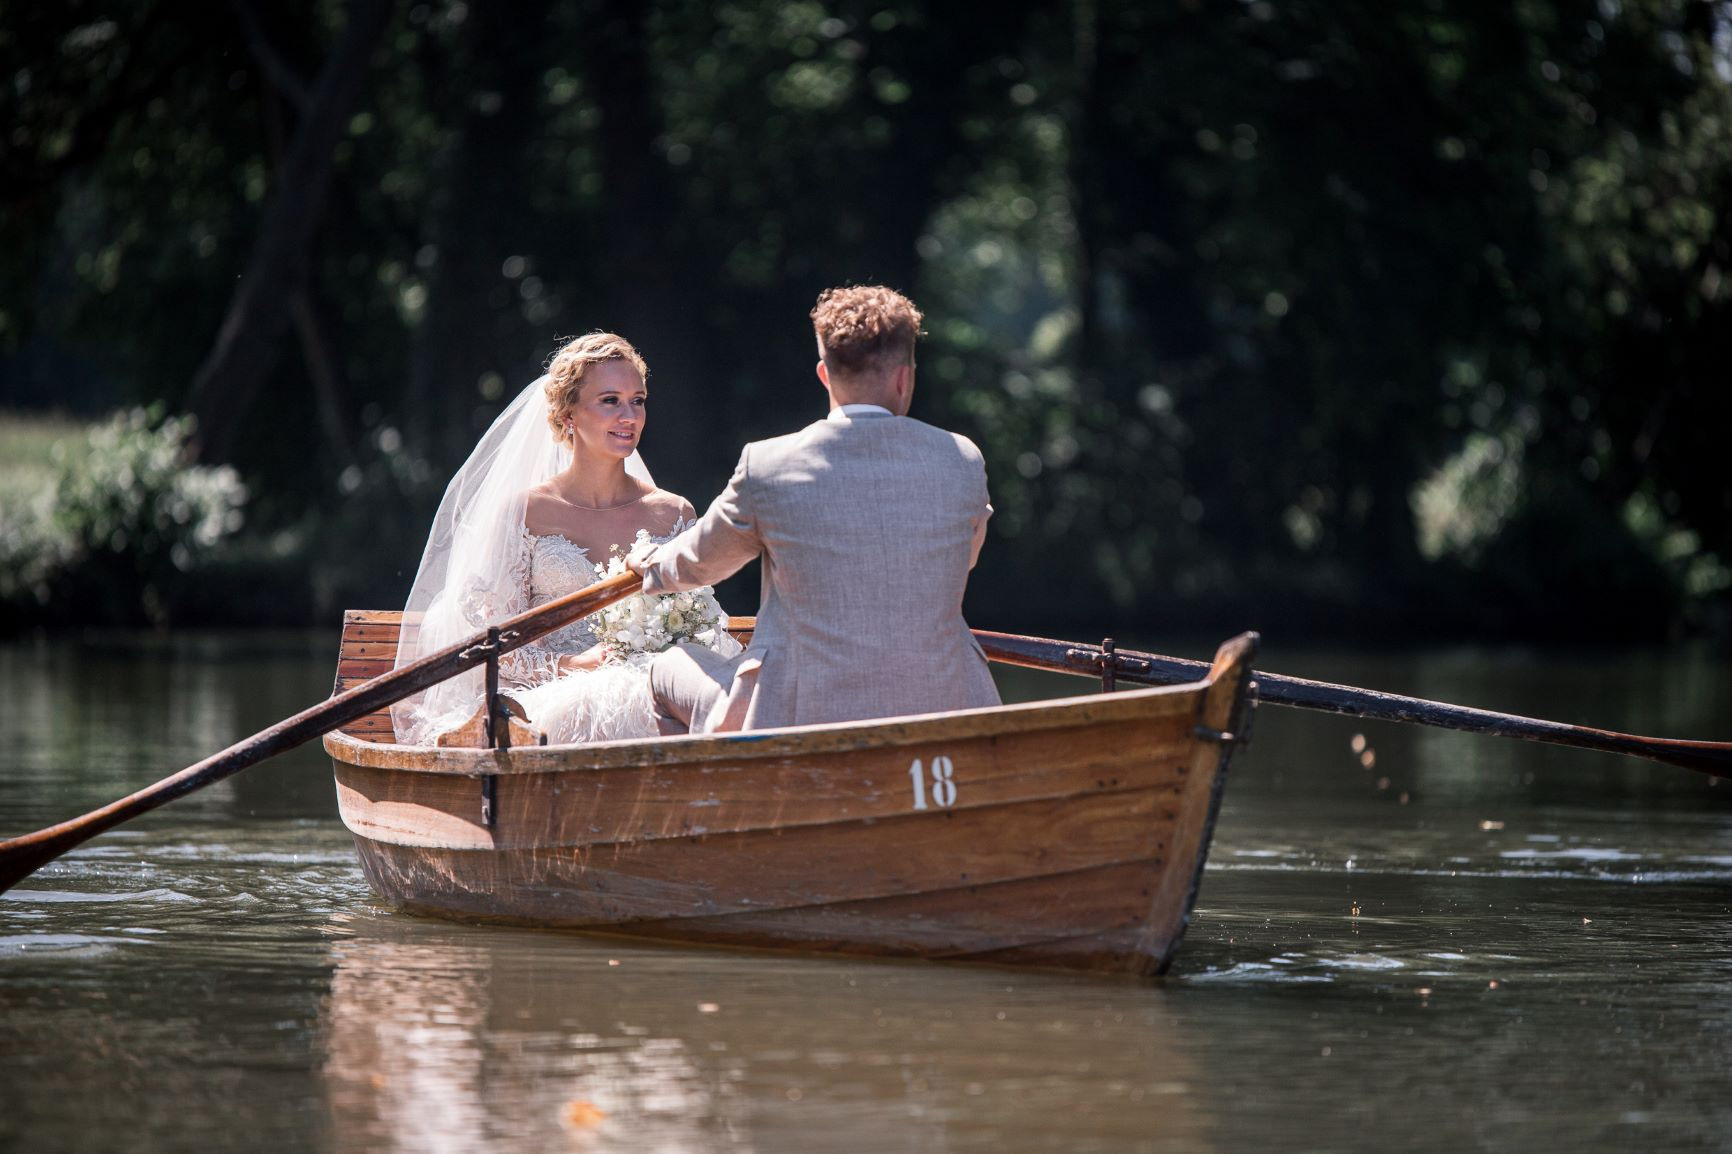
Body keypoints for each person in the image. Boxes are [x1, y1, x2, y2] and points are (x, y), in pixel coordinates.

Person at [628, 284, 1000, 734]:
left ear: (825, 374)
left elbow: (699, 564)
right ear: (905, 377)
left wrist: (650, 565)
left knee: (668, 664)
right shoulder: (962, 459)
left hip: (803, 716)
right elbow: (965, 559)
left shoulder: (768, 465)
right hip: (947, 705)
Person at [390, 332, 740, 746]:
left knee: (689, 699)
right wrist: (574, 664)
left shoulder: (674, 513)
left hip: (665, 681)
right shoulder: (526, 512)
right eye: (610, 400)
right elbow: (494, 646)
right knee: (653, 721)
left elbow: (701, 626)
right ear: (568, 414)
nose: (629, 415)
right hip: (554, 695)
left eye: (638, 400)